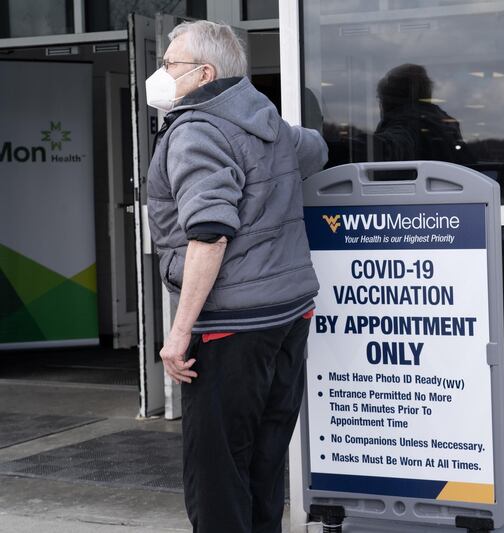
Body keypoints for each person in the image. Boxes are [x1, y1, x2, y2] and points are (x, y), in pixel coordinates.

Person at [144, 20, 327, 533]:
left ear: (204, 73)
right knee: (264, 460)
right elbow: (316, 149)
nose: (161, 74)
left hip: (231, 324)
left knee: (218, 472)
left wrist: (179, 334)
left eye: (169, 64)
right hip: (288, 313)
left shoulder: (197, 129)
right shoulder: (263, 120)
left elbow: (208, 234)